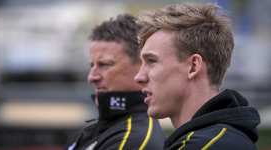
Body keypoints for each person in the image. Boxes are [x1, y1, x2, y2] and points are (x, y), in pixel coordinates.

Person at [134, 3, 260, 150]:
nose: (139, 77)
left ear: (193, 66)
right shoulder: (224, 138)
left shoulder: (206, 145)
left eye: (151, 61)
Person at [66, 14, 165, 150]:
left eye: (104, 64)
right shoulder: (107, 128)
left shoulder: (133, 139)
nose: (92, 77)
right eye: (92, 65)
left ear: (141, 65)